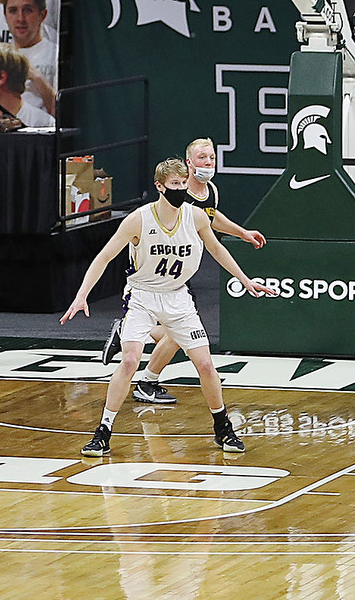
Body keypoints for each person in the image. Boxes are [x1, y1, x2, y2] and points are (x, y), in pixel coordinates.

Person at [61, 159, 268, 459]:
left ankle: (222, 426)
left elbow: (216, 248)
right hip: (142, 295)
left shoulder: (196, 217)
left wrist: (245, 279)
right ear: (159, 186)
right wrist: (82, 296)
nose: (181, 190)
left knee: (207, 365)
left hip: (178, 296)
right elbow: (104, 257)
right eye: (174, 185)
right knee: (130, 360)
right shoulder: (138, 220)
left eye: (184, 184)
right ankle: (103, 432)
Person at [106, 138, 264, 396]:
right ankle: (147, 381)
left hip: (180, 267)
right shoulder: (178, 194)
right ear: (188, 163)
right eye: (202, 157)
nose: (208, 162)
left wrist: (242, 232)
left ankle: (143, 367)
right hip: (156, 263)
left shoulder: (210, 190)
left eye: (212, 157)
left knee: (176, 333)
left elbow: (210, 217)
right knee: (176, 333)